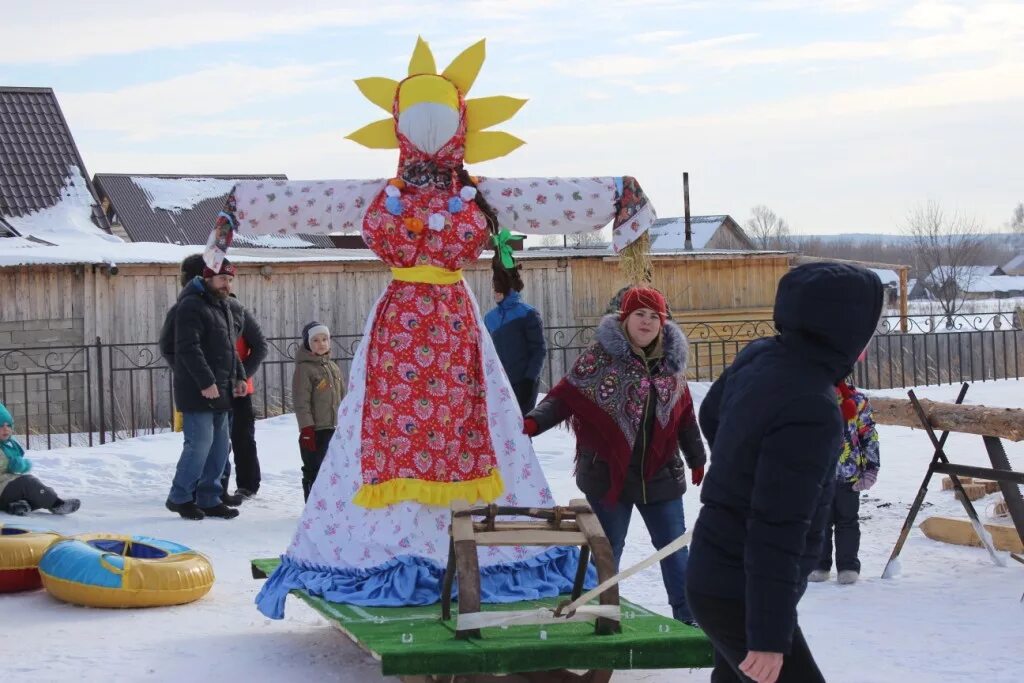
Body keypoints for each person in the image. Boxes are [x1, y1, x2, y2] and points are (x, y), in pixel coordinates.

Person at [687, 262, 883, 683]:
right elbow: (776, 527)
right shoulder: (812, 406)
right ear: (843, 327)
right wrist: (768, 637)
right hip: (741, 590)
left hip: (716, 573)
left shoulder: (763, 354)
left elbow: (712, 415)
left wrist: (741, 465)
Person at [524, 286, 706, 624]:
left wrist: (696, 458)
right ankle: (598, 614)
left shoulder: (670, 363)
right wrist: (535, 422)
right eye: (640, 314)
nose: (647, 321)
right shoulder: (600, 358)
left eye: (655, 316)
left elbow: (684, 417)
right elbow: (566, 397)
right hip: (607, 475)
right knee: (607, 551)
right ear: (625, 318)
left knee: (673, 549)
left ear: (663, 323)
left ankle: (688, 617)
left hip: (661, 476)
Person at [161, 255, 267, 503]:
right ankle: (194, 493)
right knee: (204, 442)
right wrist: (195, 377)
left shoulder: (233, 307)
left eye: (229, 279)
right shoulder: (188, 307)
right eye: (222, 278)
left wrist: (239, 376)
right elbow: (175, 347)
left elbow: (254, 346)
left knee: (232, 439)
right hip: (205, 386)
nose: (226, 284)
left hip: (234, 386)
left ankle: (222, 489)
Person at [808, 378, 880, 585]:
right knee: (819, 521)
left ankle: (847, 566)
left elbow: (868, 435)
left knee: (847, 521)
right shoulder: (810, 399)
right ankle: (819, 564)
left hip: (849, 474)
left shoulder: (857, 401)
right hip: (817, 475)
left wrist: (871, 468)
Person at [221, 291, 268, 499]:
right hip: (213, 387)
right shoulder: (200, 313)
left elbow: (260, 347)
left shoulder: (240, 312)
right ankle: (215, 484)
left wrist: (243, 374)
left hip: (240, 389)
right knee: (216, 440)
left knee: (243, 437)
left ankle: (248, 484)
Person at [292, 321, 344, 501]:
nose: (321, 343)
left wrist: (345, 420)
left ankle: (329, 506)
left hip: (334, 428)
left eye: (324, 339)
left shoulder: (333, 367)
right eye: (315, 340)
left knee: (334, 469)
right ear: (307, 343)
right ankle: (312, 506)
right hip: (315, 431)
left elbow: (342, 397)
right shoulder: (304, 369)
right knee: (314, 469)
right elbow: (301, 401)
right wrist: (306, 429)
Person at [484, 265, 546, 415]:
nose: (495, 293)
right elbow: (485, 351)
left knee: (521, 430)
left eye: (498, 288)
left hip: (523, 383)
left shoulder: (528, 314)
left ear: (508, 288)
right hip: (499, 384)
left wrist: (530, 380)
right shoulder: (489, 318)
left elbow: (539, 350)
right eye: (494, 288)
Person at [0, 402, 80, 516]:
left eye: (8, 425)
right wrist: (9, 464)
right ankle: (57, 504)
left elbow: (11, 466)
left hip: (6, 486)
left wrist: (20, 465)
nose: (5, 429)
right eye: (1, 426)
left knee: (33, 489)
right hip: (2, 488)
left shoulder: (9, 445)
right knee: (28, 483)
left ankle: (17, 506)